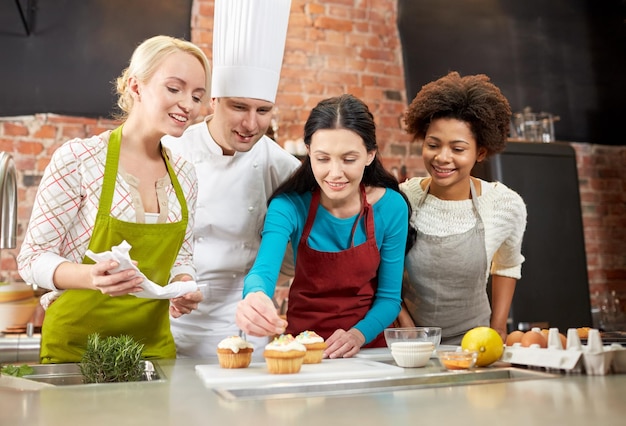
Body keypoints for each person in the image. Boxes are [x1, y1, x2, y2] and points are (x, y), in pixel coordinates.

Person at [17, 35, 210, 363]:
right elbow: (32, 258)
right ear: (135, 87)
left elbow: (182, 257)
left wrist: (182, 284)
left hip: (151, 350)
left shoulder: (184, 174)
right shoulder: (81, 159)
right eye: (174, 89)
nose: (188, 105)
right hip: (77, 350)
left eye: (197, 95)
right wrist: (90, 277)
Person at [162, 0, 301, 358]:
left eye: (263, 111)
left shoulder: (282, 166)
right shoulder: (171, 151)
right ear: (214, 101)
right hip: (168, 320)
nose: (251, 124)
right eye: (239, 107)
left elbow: (293, 250)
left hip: (242, 327)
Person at [235, 94, 410, 359]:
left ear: (370, 155)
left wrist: (357, 335)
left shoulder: (391, 207)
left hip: (367, 349)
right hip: (301, 351)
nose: (335, 173)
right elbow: (263, 271)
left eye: (349, 159)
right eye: (323, 158)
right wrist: (256, 296)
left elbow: (389, 298)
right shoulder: (289, 206)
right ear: (309, 152)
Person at [397, 71, 527, 344]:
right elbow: (383, 272)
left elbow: (507, 264)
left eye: (458, 149)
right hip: (411, 345)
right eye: (433, 145)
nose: (442, 158)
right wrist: (407, 330)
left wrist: (499, 329)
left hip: (475, 345)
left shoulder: (504, 205)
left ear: (480, 152)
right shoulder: (401, 198)